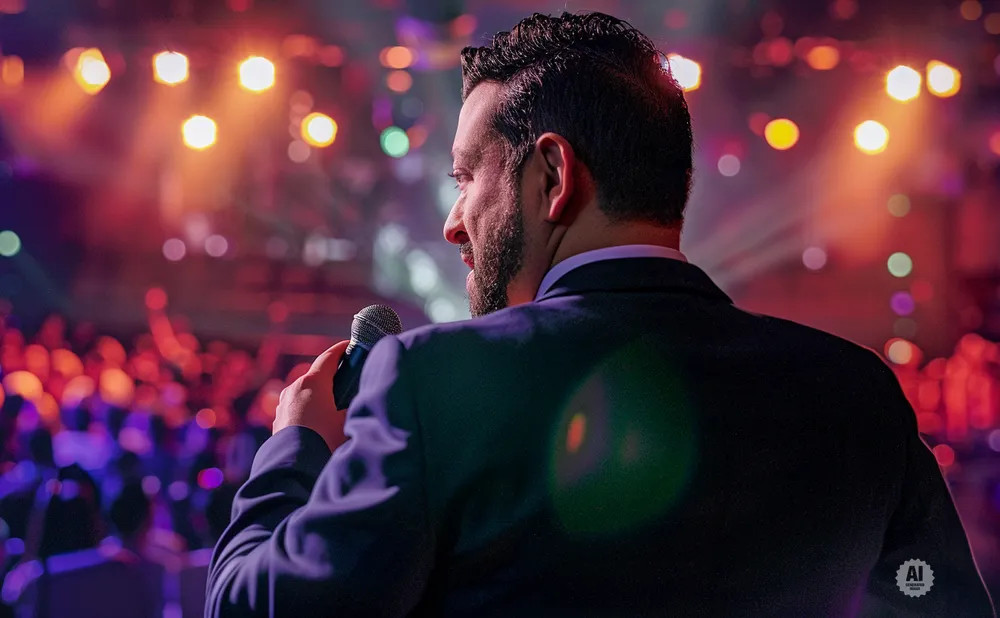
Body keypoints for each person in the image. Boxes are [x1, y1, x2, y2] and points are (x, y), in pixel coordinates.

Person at [208, 11, 995, 617]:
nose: (453, 223)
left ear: (552, 174)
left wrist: (296, 448)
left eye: (465, 177)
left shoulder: (432, 380)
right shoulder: (854, 393)